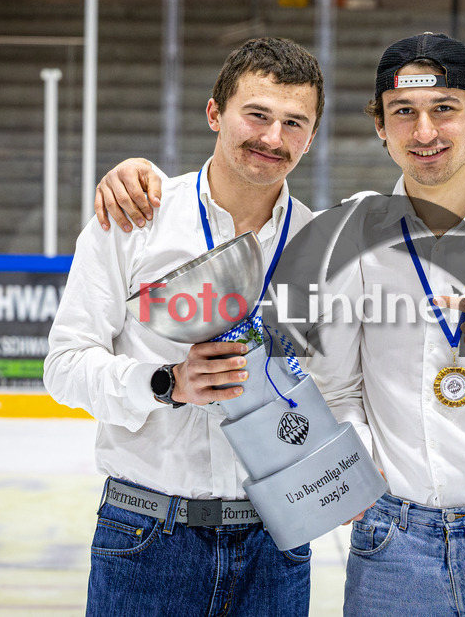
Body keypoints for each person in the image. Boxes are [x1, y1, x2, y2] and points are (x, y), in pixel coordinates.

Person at [96, 32, 465, 616]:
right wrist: (358, 464)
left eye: (444, 109)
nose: (424, 133)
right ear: (380, 126)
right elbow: (334, 384)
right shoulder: (351, 239)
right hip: (391, 544)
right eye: (403, 113)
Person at [44, 36, 324, 616]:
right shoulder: (133, 216)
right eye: (257, 114)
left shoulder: (321, 247)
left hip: (277, 543)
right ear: (214, 113)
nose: (274, 138)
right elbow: (64, 368)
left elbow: (337, 386)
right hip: (148, 538)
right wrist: (167, 383)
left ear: (312, 136)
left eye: (294, 123)